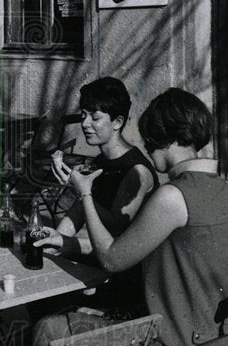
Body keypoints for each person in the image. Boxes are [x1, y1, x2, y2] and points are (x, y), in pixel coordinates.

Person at [32, 88, 228, 346]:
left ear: (164, 137)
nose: (147, 148)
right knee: (86, 315)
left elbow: (112, 259)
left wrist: (85, 194)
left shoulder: (173, 196)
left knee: (48, 330)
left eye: (150, 140)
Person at [42, 77, 158, 316]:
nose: (85, 124)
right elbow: (79, 210)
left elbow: (115, 239)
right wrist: (56, 239)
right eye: (83, 115)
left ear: (117, 122)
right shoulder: (100, 161)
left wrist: (81, 193)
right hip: (100, 262)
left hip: (125, 279)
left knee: (48, 306)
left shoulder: (136, 171)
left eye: (95, 118)